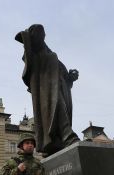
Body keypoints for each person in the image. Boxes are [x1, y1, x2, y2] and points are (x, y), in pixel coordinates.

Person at [15, 24, 80, 156]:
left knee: (62, 111)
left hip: (60, 88)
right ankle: (69, 137)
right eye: (40, 34)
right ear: (35, 36)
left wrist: (70, 77)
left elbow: (62, 73)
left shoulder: (49, 53)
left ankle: (57, 143)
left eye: (44, 35)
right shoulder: (34, 55)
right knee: (58, 108)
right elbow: (29, 71)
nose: (43, 37)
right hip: (46, 91)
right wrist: (25, 38)